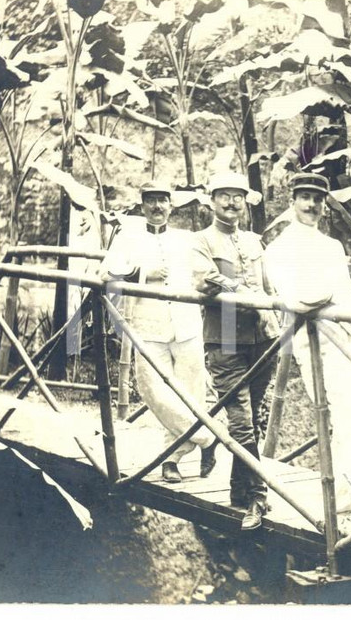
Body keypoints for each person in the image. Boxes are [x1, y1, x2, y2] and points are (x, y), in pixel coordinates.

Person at [263, 172, 351, 530]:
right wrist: (330, 298)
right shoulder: (279, 249)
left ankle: (349, 494)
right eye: (304, 197)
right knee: (346, 413)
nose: (311, 205)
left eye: (318, 199)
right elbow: (299, 298)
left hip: (346, 339)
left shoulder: (332, 246)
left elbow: (344, 294)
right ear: (292, 201)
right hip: (316, 341)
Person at [100, 179, 217, 483]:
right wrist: (142, 273)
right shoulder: (127, 237)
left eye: (162, 200)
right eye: (150, 200)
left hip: (187, 325)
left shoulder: (186, 239)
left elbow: (207, 274)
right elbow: (105, 274)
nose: (157, 206)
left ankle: (172, 460)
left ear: (171, 205)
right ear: (142, 205)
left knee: (190, 394)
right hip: (147, 327)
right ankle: (208, 438)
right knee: (152, 389)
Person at [192, 171, 280, 531]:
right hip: (225, 337)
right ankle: (258, 495)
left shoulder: (256, 242)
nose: (231, 203)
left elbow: (269, 285)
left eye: (238, 197)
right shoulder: (202, 241)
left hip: (261, 339)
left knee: (253, 417)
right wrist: (248, 297)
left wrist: (271, 314)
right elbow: (204, 280)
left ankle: (237, 491)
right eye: (224, 196)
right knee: (242, 423)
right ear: (211, 201)